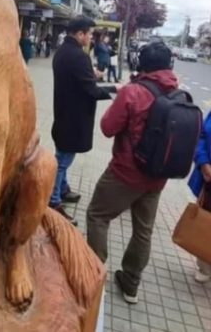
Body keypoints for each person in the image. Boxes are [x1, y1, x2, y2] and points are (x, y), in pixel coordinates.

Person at [86, 42, 176, 305]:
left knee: (98, 215)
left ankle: (93, 274)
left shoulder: (133, 92)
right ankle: (131, 283)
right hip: (157, 178)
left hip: (126, 173)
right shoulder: (176, 93)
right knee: (143, 230)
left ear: (141, 64)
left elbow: (107, 127)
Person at [49, 17, 117, 225]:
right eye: (89, 34)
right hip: (73, 118)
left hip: (64, 114)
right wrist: (115, 89)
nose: (91, 38)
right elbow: (91, 90)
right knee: (62, 161)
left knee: (63, 156)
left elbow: (78, 80)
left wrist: (92, 74)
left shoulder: (62, 52)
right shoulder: (78, 56)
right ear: (79, 34)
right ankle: (53, 202)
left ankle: (62, 189)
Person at [188, 110, 211, 283]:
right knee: (206, 220)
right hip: (209, 179)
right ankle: (205, 264)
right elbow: (202, 135)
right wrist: (203, 162)